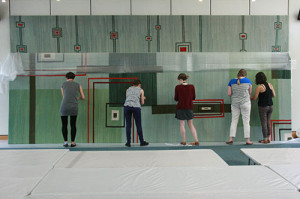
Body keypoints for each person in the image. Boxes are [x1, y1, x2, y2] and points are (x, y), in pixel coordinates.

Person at [226, 69, 253, 145]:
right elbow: (250, 92)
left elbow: (229, 93)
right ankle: (247, 140)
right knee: (246, 121)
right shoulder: (248, 81)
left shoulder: (231, 81)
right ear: (245, 75)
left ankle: (231, 138)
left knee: (234, 120)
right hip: (246, 103)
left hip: (235, 103)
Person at [60, 72, 85, 147]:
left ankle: (65, 142)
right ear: (74, 78)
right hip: (74, 106)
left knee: (64, 124)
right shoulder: (78, 85)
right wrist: (78, 98)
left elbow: (64, 97)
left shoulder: (63, 85)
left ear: (66, 78)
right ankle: (73, 142)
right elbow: (83, 97)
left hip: (64, 106)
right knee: (73, 124)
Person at [174, 73, 199, 146]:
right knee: (191, 125)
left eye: (179, 80)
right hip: (189, 107)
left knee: (182, 124)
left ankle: (184, 141)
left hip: (181, 107)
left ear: (181, 79)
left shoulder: (177, 87)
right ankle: (196, 140)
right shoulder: (192, 87)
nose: (179, 81)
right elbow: (194, 97)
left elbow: (176, 98)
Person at [251, 72, 276, 144]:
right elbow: (274, 95)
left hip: (263, 107)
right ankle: (268, 138)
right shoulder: (270, 85)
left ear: (258, 79)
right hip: (271, 106)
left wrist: (250, 97)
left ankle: (265, 139)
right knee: (268, 122)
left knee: (264, 123)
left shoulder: (259, 87)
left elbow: (255, 98)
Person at [124, 79, 149, 147]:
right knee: (138, 125)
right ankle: (142, 141)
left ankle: (128, 142)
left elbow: (128, 97)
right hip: (136, 107)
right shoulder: (141, 90)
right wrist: (143, 98)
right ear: (139, 85)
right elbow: (142, 102)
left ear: (133, 84)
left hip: (127, 106)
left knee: (128, 125)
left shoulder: (128, 89)